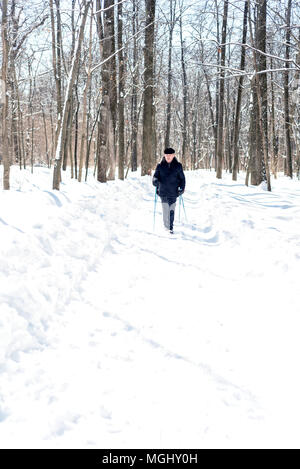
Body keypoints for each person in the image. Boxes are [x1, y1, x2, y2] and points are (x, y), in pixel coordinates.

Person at [152, 148, 186, 234]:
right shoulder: (160, 166)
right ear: (164, 155)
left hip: (173, 192)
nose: (168, 157)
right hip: (163, 192)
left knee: (171, 210)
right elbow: (155, 176)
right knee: (165, 209)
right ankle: (166, 226)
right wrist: (155, 181)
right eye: (166, 155)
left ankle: (170, 227)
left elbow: (182, 178)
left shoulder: (178, 166)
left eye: (170, 155)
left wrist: (182, 188)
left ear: (173, 155)